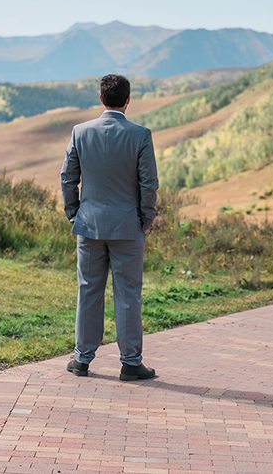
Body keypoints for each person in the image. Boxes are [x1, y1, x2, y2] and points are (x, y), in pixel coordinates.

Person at [60, 74, 159, 380]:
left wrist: (75, 214)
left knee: (88, 291)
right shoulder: (140, 135)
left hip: (88, 225)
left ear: (101, 99)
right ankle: (130, 362)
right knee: (128, 294)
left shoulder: (80, 132)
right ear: (128, 100)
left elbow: (67, 177)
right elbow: (148, 183)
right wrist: (145, 219)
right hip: (128, 227)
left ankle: (82, 359)